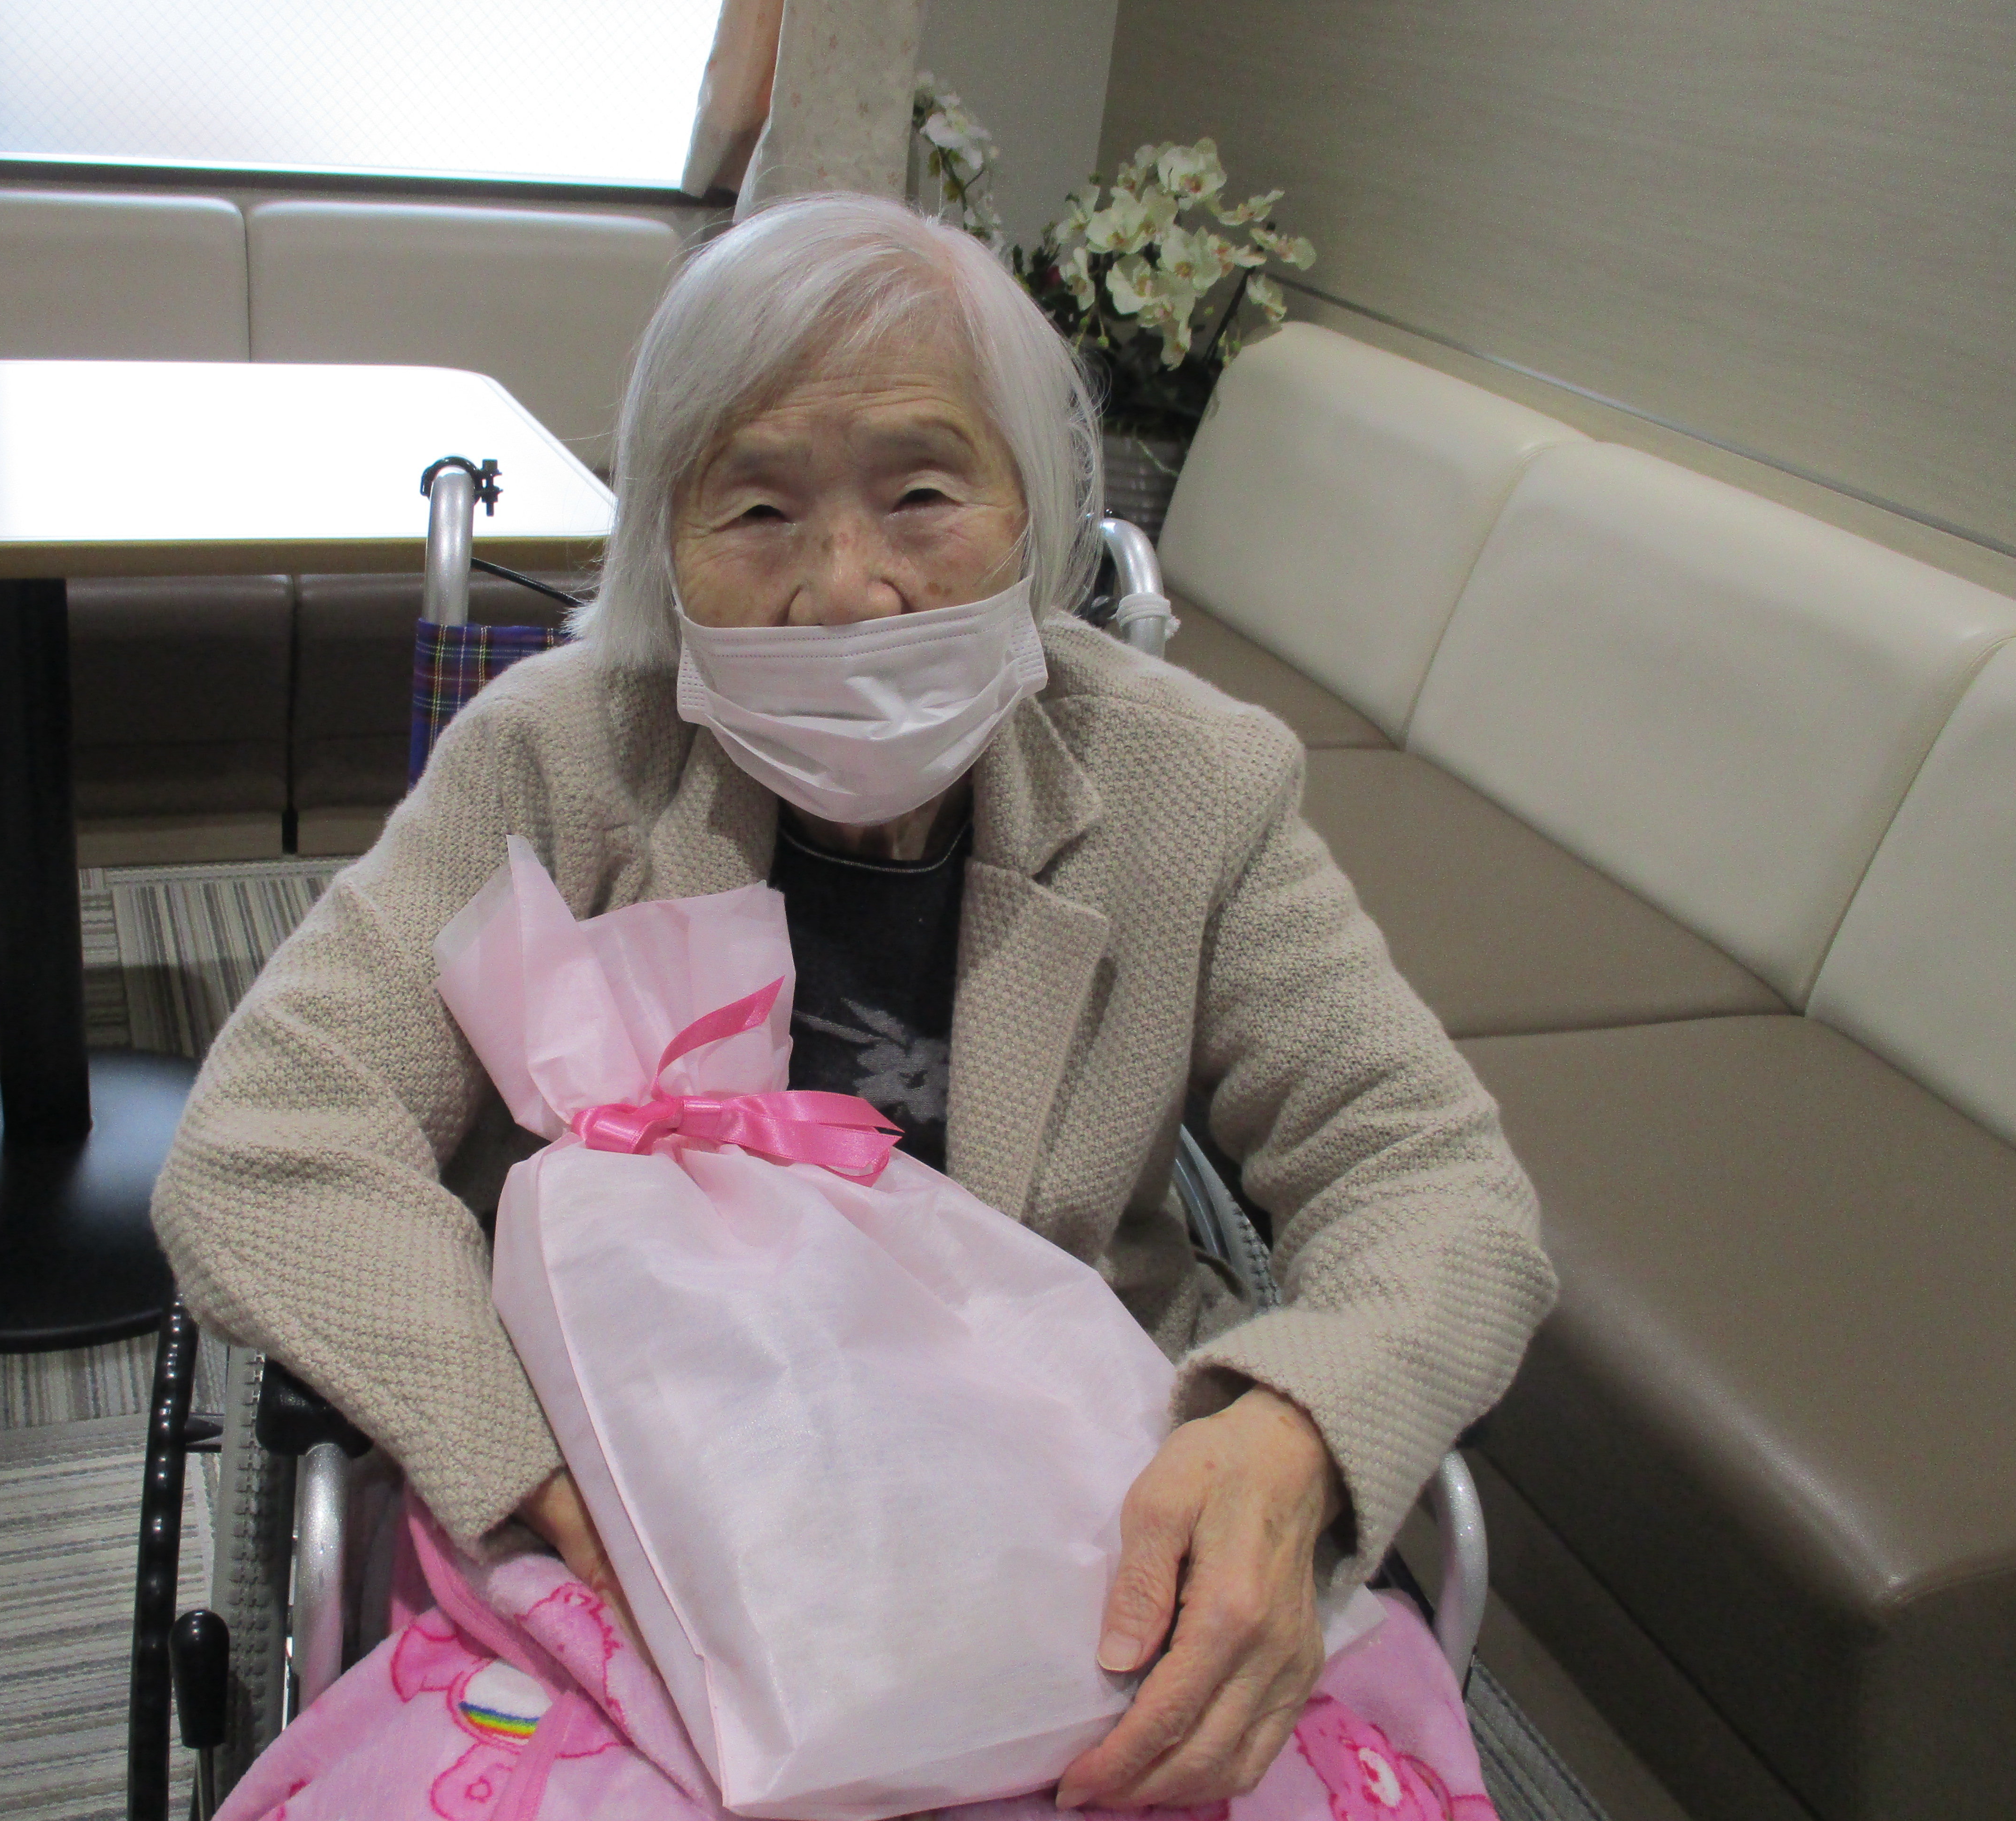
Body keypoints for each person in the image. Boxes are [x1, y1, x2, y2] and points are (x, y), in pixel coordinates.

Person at [153, 193, 1555, 1811]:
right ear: (662, 545)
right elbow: (267, 1144)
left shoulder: (1192, 785)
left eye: (924, 494)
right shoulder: (558, 758)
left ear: (1033, 515)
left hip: (1063, 1518)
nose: (846, 590)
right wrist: (529, 1457)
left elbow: (1436, 1182)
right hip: (643, 1515)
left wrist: (1294, 1429)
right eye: (756, 509)